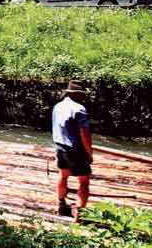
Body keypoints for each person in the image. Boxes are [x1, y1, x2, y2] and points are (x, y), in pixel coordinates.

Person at [52, 80, 93, 219]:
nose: (84, 97)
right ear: (76, 94)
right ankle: (80, 214)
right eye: (82, 94)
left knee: (63, 175)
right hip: (76, 149)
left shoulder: (58, 106)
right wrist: (89, 152)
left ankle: (61, 205)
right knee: (84, 181)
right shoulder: (80, 109)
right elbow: (84, 134)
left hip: (60, 146)